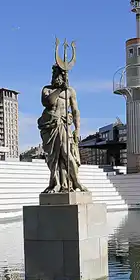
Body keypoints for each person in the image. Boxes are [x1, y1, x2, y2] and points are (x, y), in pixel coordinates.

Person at [38, 65, 86, 193]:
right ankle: (56, 183)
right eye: (56, 75)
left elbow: (76, 111)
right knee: (52, 158)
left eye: (61, 75)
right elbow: (48, 102)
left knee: (67, 154)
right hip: (50, 127)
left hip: (63, 126)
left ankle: (76, 182)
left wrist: (77, 129)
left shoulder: (70, 91)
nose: (58, 77)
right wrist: (59, 90)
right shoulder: (47, 89)